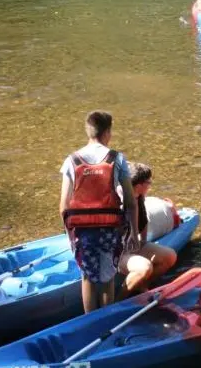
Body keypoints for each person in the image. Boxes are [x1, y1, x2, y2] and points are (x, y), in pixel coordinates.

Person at [59, 111, 139, 313]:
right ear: (108, 132)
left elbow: (64, 206)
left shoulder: (72, 160)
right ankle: (106, 319)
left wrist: (70, 235)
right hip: (109, 227)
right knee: (108, 276)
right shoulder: (117, 159)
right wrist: (133, 232)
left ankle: (89, 321)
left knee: (87, 276)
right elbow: (130, 202)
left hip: (82, 229)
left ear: (88, 131)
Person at [117, 162, 178, 297]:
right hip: (116, 252)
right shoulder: (118, 201)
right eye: (148, 182)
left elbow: (143, 220)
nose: (150, 185)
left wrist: (143, 241)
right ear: (139, 185)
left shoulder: (138, 197)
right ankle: (119, 300)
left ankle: (141, 286)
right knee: (145, 267)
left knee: (170, 256)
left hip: (132, 244)